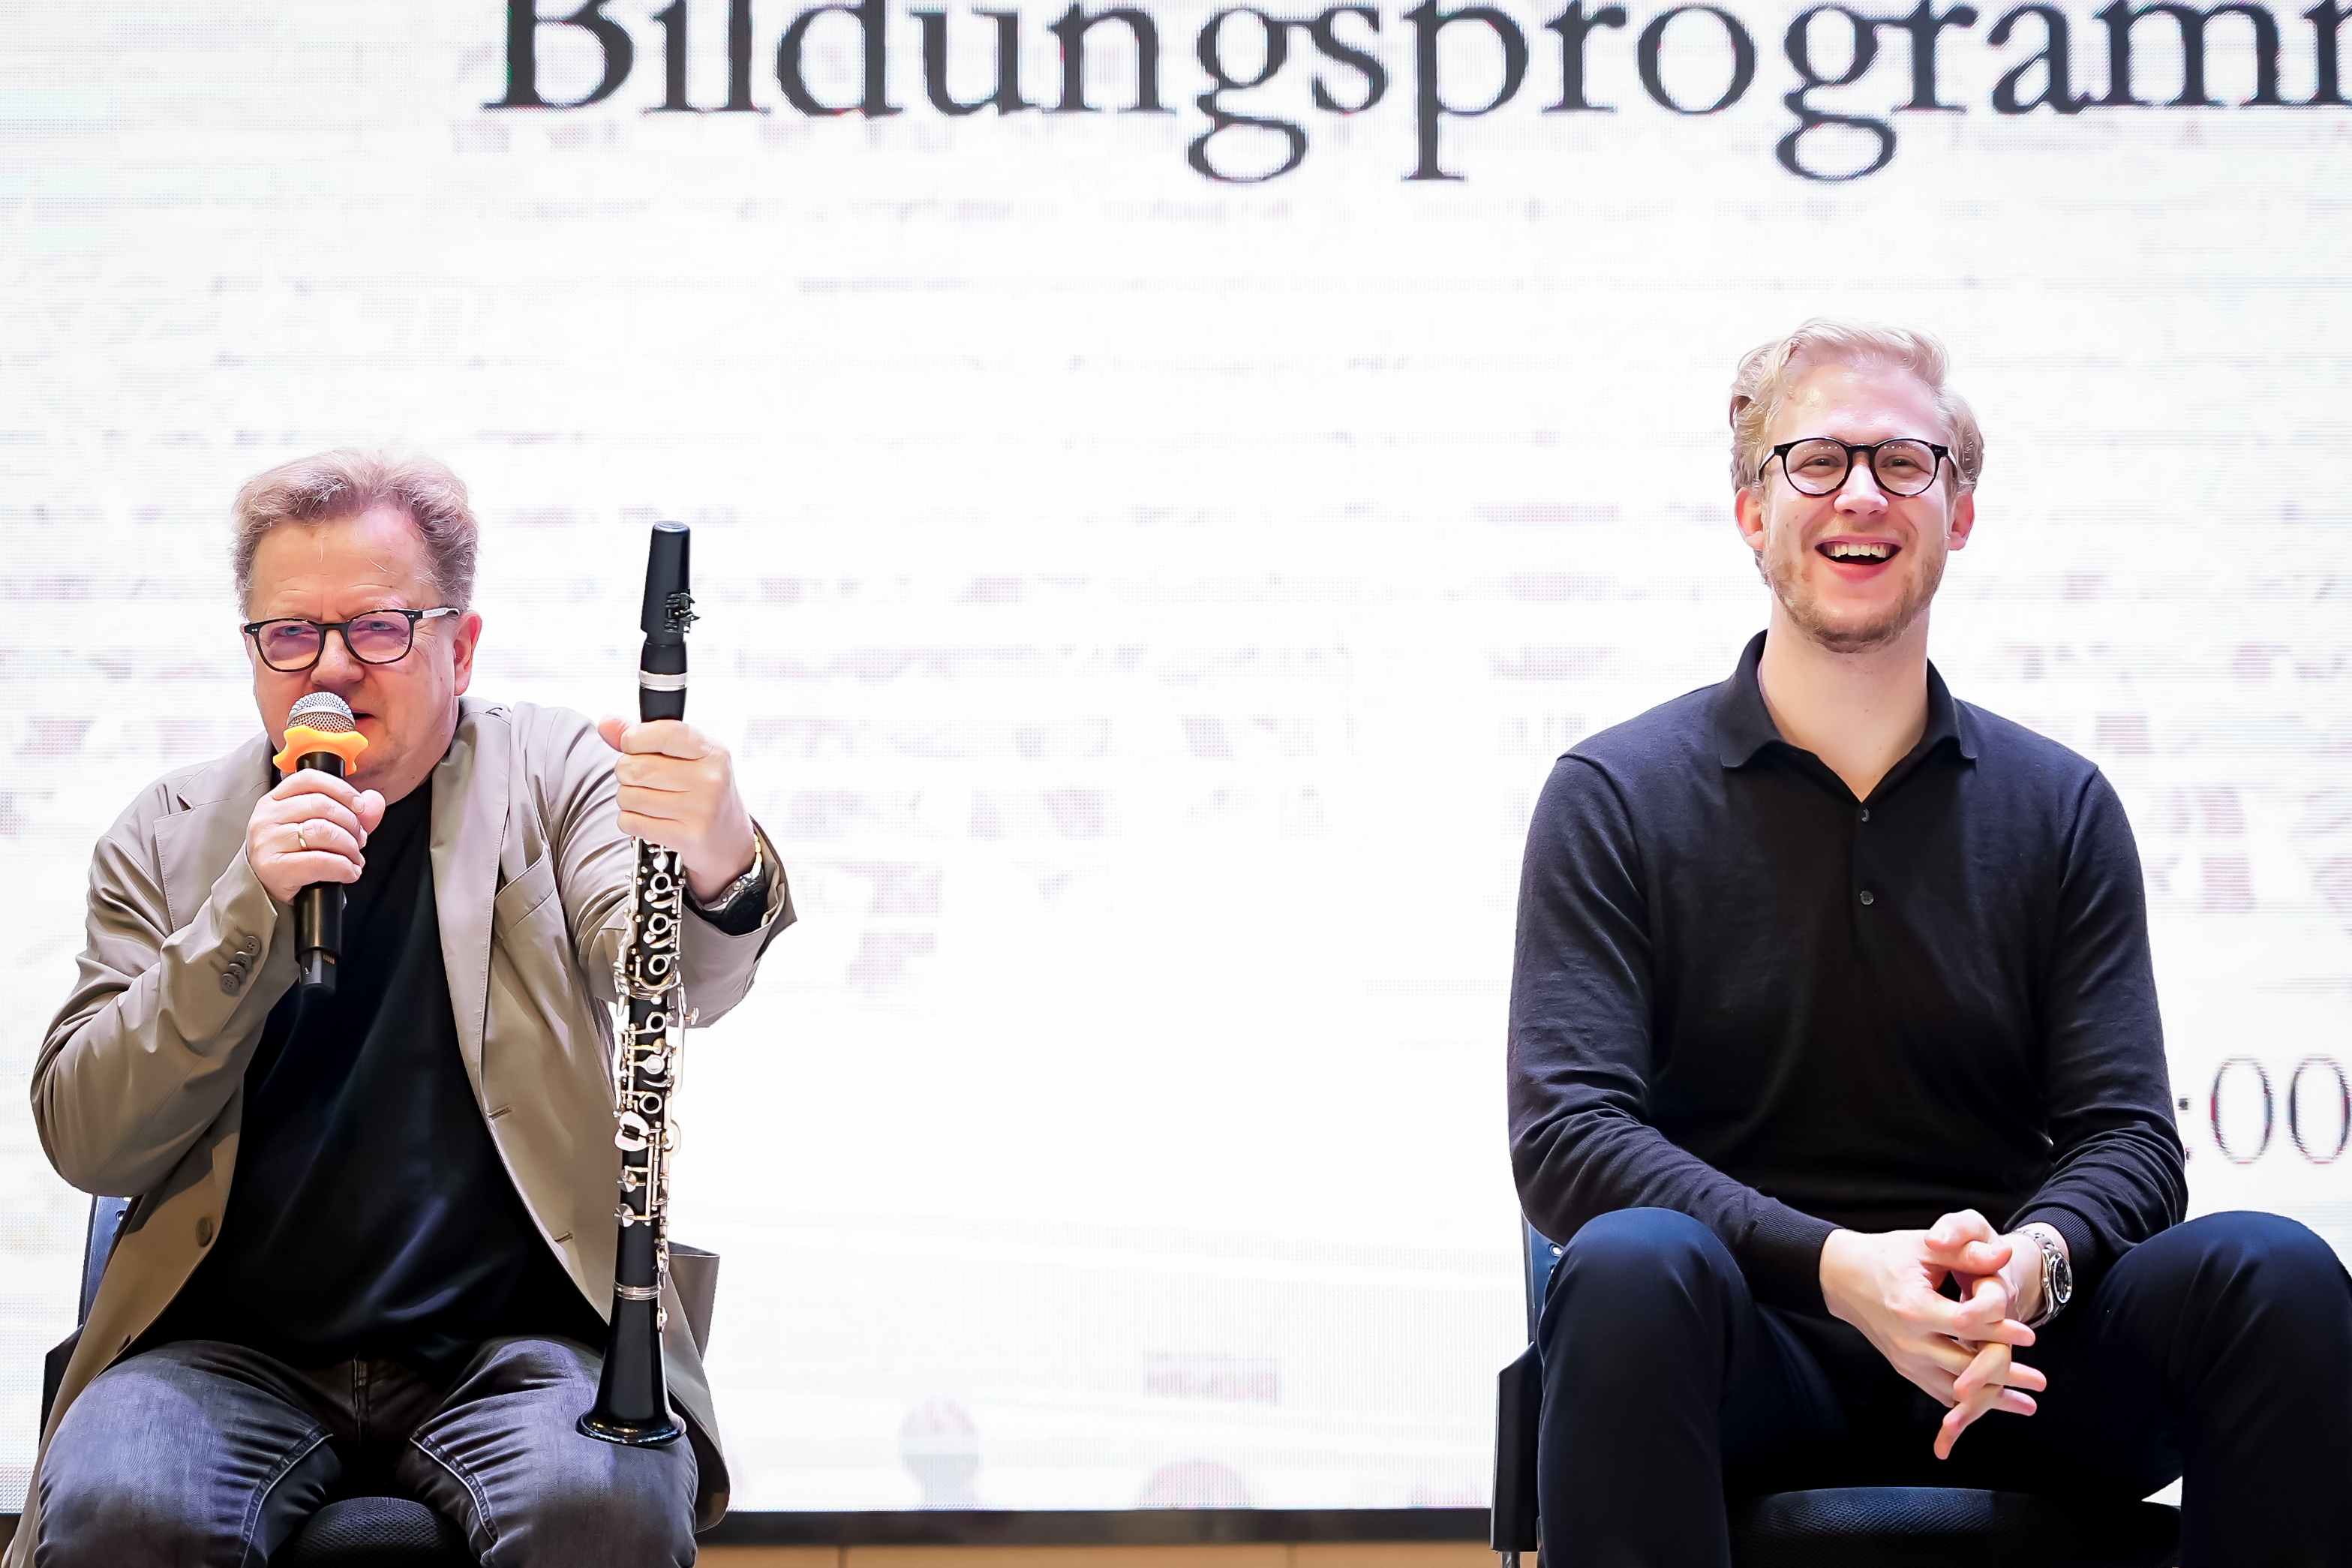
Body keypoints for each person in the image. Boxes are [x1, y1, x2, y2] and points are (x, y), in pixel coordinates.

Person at [1506, 320, 2352, 1566]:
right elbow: (1568, 1137)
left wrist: (2031, 1270)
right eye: (1817, 461)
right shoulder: (1615, 795)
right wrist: (1844, 1269)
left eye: (1907, 463)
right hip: (1754, 1354)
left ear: (1960, 513)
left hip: (2010, 1368)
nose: (1863, 493)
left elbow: (2129, 1140)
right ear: (1751, 509)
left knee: (2275, 1272)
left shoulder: (2060, 805)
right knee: (1629, 1268)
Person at [17, 451, 792, 1568]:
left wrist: (718, 861)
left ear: (460, 645)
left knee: (602, 1506)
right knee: (123, 1508)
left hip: (519, 1347)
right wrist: (249, 908)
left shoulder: (551, 768)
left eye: (377, 628)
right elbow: (88, 1133)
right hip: (221, 1352)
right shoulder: (168, 830)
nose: (330, 671)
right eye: (290, 636)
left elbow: (660, 975)